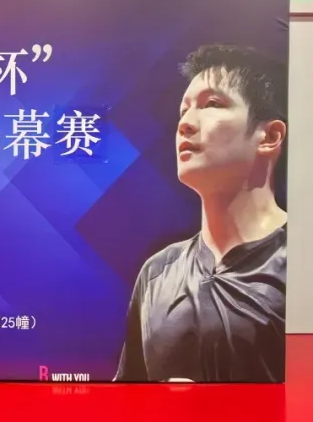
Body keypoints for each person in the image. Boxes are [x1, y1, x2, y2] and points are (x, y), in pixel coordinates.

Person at [114, 44, 288, 382]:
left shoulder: (301, 263)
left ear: (269, 136)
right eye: (184, 111)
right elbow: (126, 399)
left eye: (211, 105)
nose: (185, 124)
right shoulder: (157, 272)